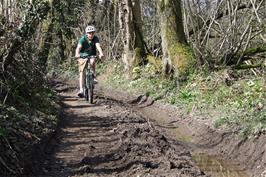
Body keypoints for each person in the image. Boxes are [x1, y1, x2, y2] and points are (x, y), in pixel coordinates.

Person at [75, 25, 104, 97]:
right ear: (86, 33)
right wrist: (77, 54)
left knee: (92, 61)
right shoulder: (83, 39)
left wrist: (101, 53)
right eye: (89, 33)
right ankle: (81, 90)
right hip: (82, 56)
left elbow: (98, 46)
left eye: (92, 33)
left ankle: (93, 76)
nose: (91, 34)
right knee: (82, 72)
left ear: (94, 33)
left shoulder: (95, 39)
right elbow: (78, 47)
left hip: (91, 55)